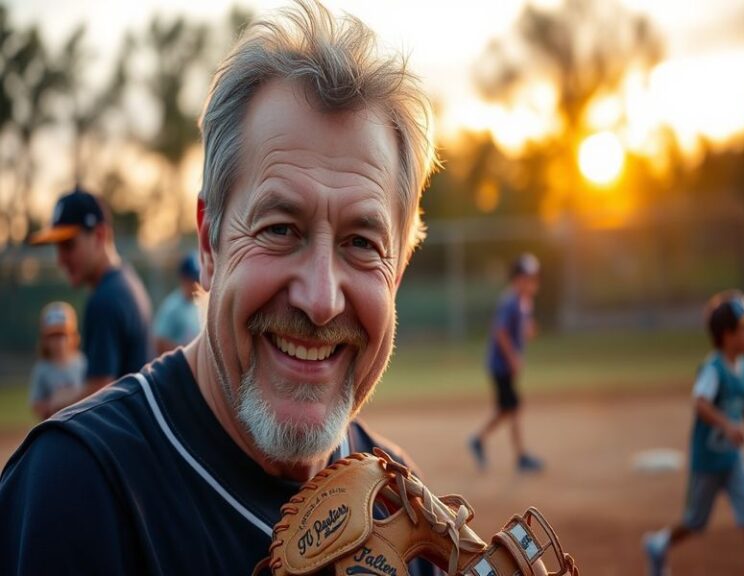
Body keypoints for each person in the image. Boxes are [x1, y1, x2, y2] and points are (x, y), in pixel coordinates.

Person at [0, 1, 438, 573]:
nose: (321, 298)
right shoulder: (78, 487)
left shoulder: (398, 509)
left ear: (397, 272)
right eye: (280, 229)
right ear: (210, 246)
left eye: (362, 243)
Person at [644, 290, 744, 576]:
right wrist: (726, 423)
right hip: (707, 461)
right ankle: (658, 544)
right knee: (694, 523)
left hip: (733, 459)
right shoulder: (714, 368)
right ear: (727, 335)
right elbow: (700, 402)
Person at [26, 186, 154, 412]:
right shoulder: (126, 279)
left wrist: (53, 404)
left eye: (68, 245)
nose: (61, 259)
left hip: (125, 440)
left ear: (99, 236)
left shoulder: (105, 299)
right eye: (58, 247)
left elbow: (100, 392)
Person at [469, 253, 544, 473]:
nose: (531, 283)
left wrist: (528, 330)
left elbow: (522, 327)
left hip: (506, 366)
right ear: (516, 279)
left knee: (506, 409)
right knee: (514, 407)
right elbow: (499, 331)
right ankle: (520, 457)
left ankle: (478, 440)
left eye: (533, 278)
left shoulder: (523, 302)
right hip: (500, 366)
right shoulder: (510, 301)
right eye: (526, 278)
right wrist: (512, 357)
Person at [28, 301, 86, 420]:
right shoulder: (42, 368)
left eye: (62, 335)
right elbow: (35, 404)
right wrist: (52, 404)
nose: (58, 341)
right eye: (53, 336)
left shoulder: (83, 363)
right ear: (44, 340)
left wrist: (71, 397)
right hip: (54, 425)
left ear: (73, 336)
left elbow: (95, 393)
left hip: (81, 423)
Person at [153, 252, 202, 354]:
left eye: (198, 279)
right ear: (183, 279)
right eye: (192, 280)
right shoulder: (172, 307)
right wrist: (188, 351)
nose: (196, 284)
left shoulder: (200, 303)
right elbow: (158, 343)